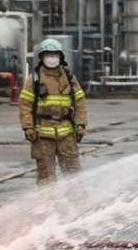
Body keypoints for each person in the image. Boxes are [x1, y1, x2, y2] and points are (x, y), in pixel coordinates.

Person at [18, 38, 87, 187]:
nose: (51, 58)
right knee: (46, 177)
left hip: (67, 135)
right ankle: (47, 208)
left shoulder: (69, 78)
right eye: (48, 55)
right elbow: (25, 105)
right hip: (42, 136)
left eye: (54, 55)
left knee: (73, 174)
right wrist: (28, 127)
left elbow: (80, 101)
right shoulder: (34, 79)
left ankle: (80, 207)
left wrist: (81, 124)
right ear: (42, 57)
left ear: (60, 57)